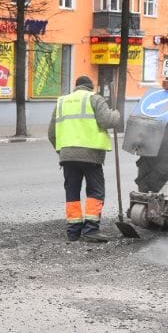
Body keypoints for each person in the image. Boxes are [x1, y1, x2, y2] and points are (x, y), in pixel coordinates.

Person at [47, 76, 121, 243]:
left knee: (72, 192)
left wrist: (63, 151)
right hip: (91, 156)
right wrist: (116, 114)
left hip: (67, 156)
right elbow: (107, 120)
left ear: (76, 87)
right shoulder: (94, 98)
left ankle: (73, 232)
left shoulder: (62, 101)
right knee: (95, 191)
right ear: (91, 87)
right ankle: (91, 230)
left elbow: (51, 133)